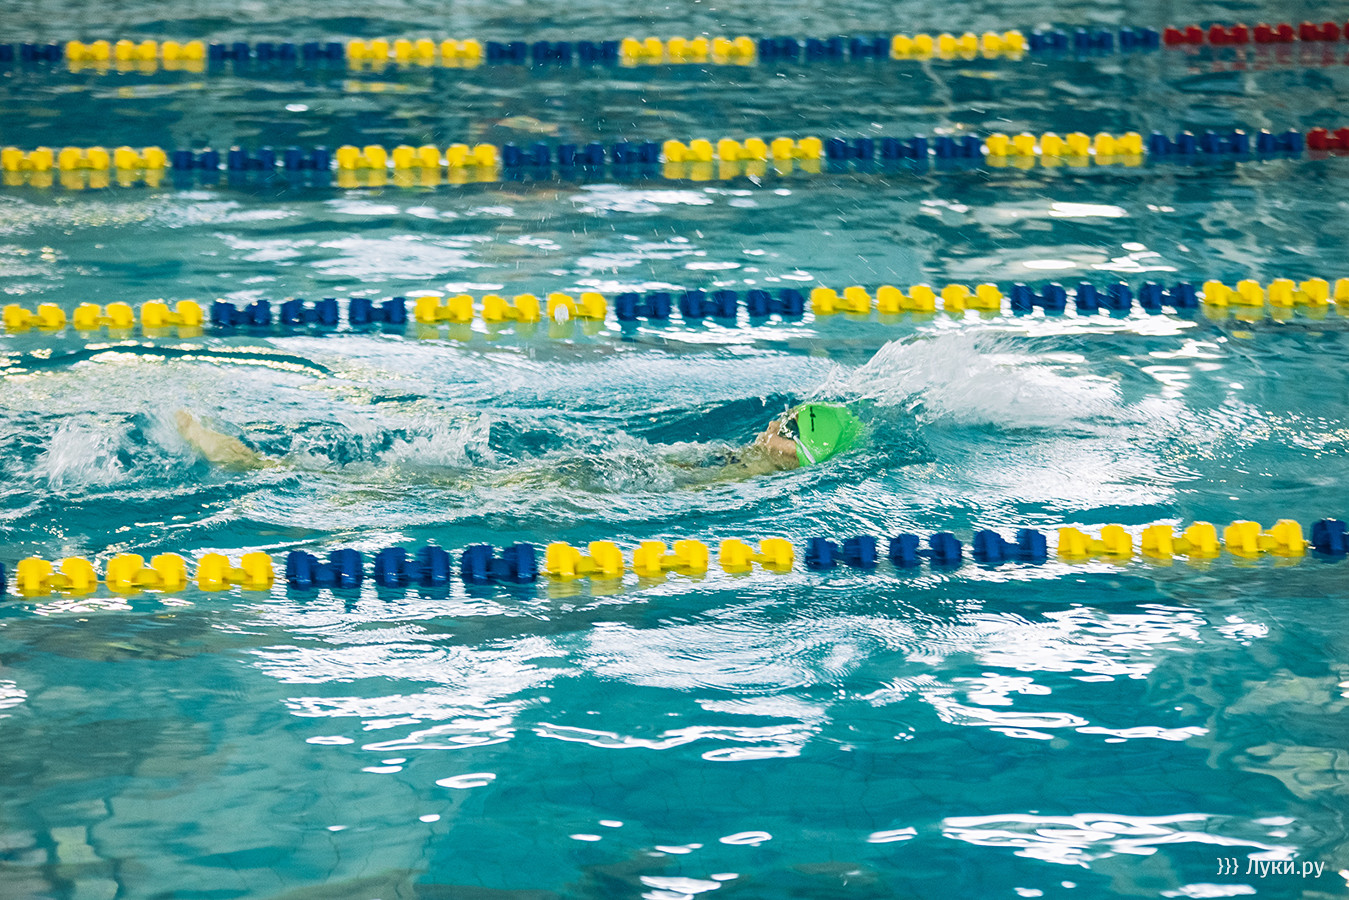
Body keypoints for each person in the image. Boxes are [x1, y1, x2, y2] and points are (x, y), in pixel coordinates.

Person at [174, 402, 863, 478]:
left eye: (789, 429)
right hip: (591, 475)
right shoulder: (744, 463)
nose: (771, 426)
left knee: (426, 483)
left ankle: (260, 465)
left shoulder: (748, 476)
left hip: (582, 489)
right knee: (431, 481)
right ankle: (265, 465)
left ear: (804, 456)